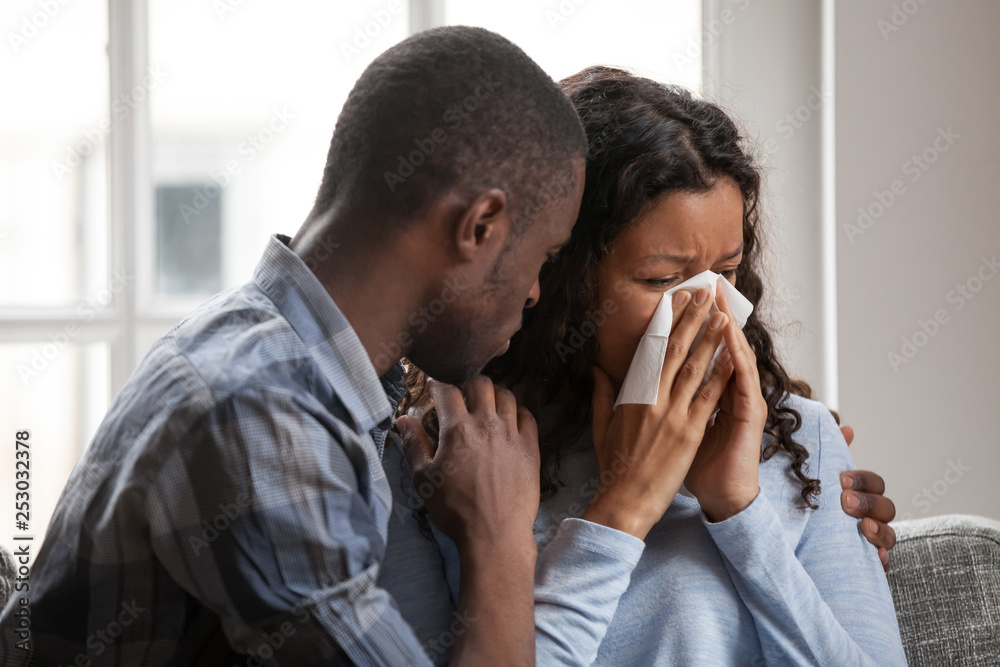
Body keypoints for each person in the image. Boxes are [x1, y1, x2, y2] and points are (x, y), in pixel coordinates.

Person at [0, 26, 590, 665]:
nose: (536, 291)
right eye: (544, 255)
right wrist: (499, 541)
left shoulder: (283, 362)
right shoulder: (258, 413)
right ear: (480, 226)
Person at [392, 66, 906, 665]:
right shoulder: (454, 461)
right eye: (661, 279)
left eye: (728, 271)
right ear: (555, 275)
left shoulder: (800, 439)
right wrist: (622, 510)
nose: (712, 309)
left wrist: (740, 510)